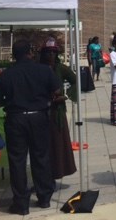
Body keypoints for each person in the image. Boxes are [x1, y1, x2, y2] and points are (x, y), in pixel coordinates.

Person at [0, 39, 61, 215]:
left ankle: (21, 203)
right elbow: (57, 91)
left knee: (17, 161)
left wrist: (11, 100)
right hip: (39, 117)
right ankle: (44, 198)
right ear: (30, 53)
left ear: (14, 55)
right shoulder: (44, 70)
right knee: (41, 157)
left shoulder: (6, 74)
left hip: (16, 119)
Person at [38, 38, 77, 183]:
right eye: (48, 52)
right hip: (40, 112)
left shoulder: (61, 68)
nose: (50, 56)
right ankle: (44, 176)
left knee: (57, 145)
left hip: (56, 112)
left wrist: (66, 96)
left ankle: (56, 172)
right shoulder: (38, 68)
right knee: (43, 146)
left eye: (53, 53)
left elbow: (75, 80)